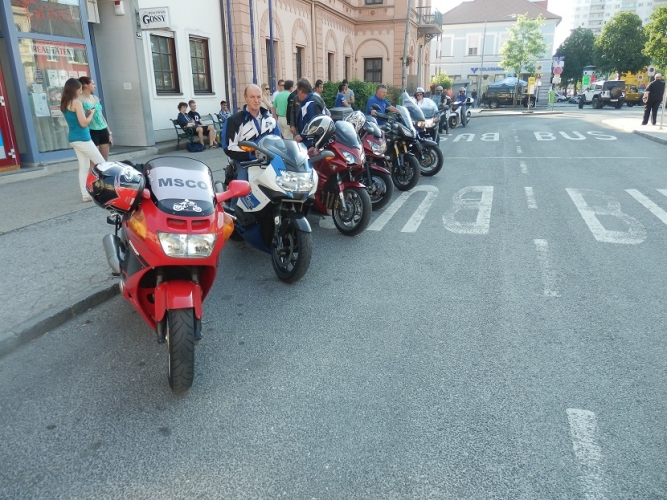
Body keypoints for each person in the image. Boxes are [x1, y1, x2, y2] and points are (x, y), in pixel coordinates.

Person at [221, 84, 281, 190]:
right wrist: (253, 154)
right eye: (252, 97)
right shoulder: (234, 121)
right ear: (246, 98)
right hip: (244, 164)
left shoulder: (270, 120)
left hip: (269, 163)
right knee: (242, 190)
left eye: (258, 97)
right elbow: (228, 147)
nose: (256, 100)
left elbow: (278, 142)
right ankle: (235, 201)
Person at [60, 78, 106, 202]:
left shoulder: (65, 103)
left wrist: (86, 114)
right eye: (80, 89)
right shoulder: (77, 103)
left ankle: (85, 195)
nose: (81, 91)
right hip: (83, 138)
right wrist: (92, 113)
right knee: (102, 163)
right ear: (75, 89)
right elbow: (84, 123)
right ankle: (107, 190)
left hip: (74, 138)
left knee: (84, 166)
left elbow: (76, 121)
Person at [78, 76, 112, 164]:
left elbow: (101, 116)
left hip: (103, 130)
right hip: (91, 131)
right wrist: (87, 113)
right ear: (85, 85)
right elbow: (81, 118)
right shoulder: (79, 100)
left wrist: (109, 132)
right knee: (94, 161)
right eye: (92, 84)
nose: (95, 86)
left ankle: (102, 174)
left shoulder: (95, 98)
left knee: (104, 161)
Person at [293, 78, 327, 148]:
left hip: (310, 144)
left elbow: (315, 125)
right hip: (308, 142)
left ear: (301, 91)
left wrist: (301, 136)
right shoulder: (309, 102)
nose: (297, 93)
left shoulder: (311, 104)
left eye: (297, 91)